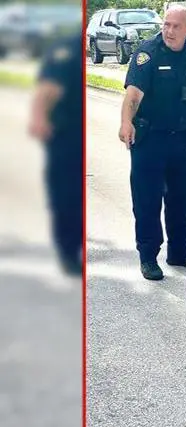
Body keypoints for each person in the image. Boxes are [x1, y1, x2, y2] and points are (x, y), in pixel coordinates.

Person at [118, 5, 186, 281]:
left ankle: (178, 250)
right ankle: (148, 256)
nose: (170, 31)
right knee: (147, 200)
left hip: (181, 142)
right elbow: (133, 94)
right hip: (149, 141)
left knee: (181, 198)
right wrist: (126, 121)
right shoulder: (148, 53)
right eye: (166, 25)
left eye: (176, 26)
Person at [28, 27, 84, 277]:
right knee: (66, 195)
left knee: (77, 196)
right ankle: (68, 251)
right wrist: (39, 119)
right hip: (64, 135)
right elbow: (48, 88)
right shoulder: (67, 49)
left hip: (79, 135)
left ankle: (76, 243)